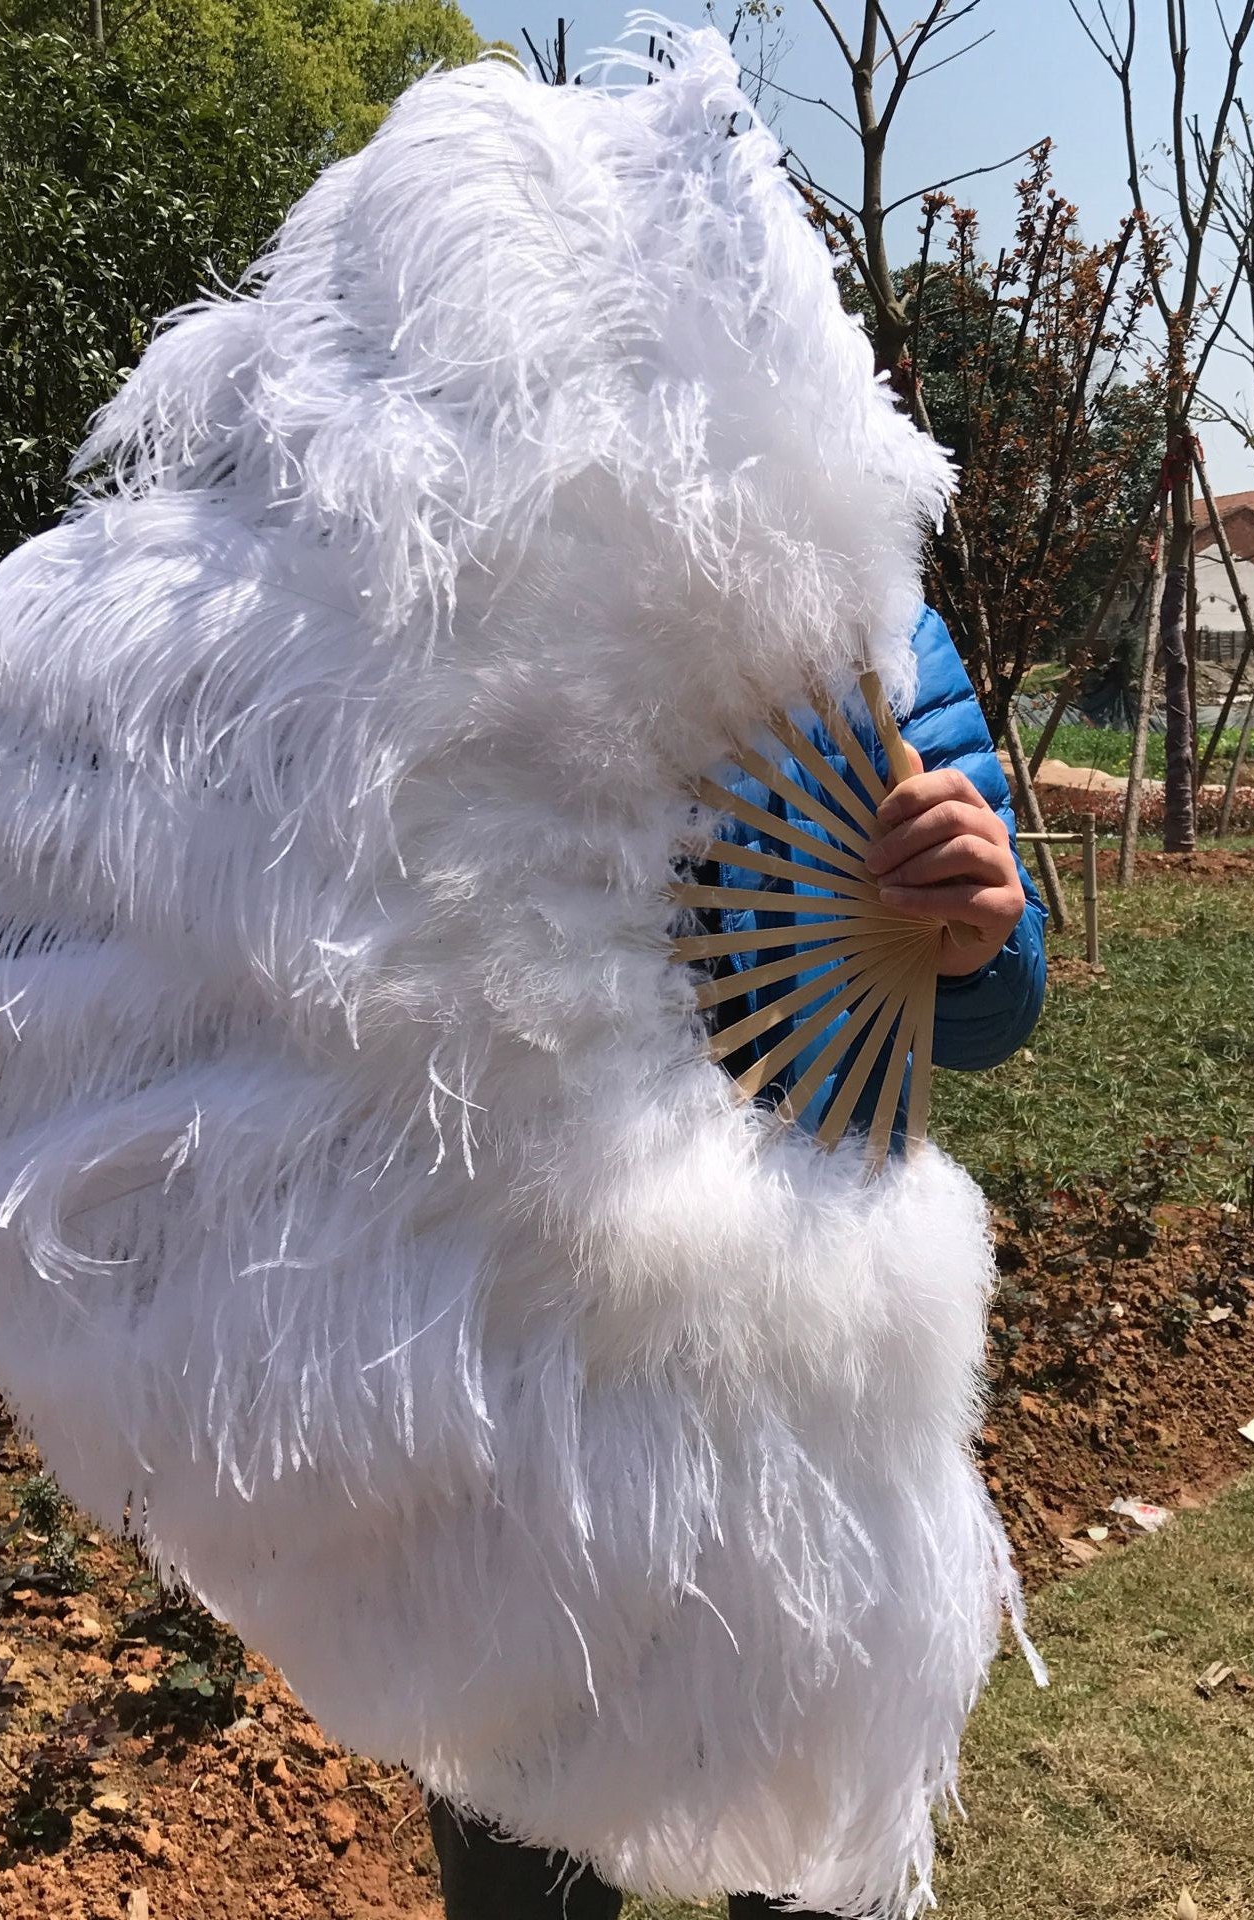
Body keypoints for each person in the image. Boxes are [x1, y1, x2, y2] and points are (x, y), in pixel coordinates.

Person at [421, 602, 1047, 1920]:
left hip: (810, 1344)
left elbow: (990, 999)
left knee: (814, 1823)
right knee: (524, 1836)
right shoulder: (450, 627)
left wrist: (980, 928)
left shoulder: (873, 625)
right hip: (531, 1364)